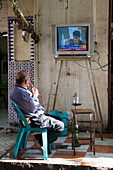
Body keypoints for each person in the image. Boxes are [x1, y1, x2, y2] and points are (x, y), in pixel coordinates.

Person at [10, 70, 64, 154]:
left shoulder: (15, 90)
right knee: (60, 125)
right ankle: (42, 142)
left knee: (58, 118)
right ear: (26, 81)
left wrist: (30, 95)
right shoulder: (22, 93)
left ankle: (38, 137)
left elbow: (27, 103)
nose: (29, 82)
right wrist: (35, 95)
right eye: (28, 80)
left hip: (29, 117)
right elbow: (33, 108)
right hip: (34, 119)